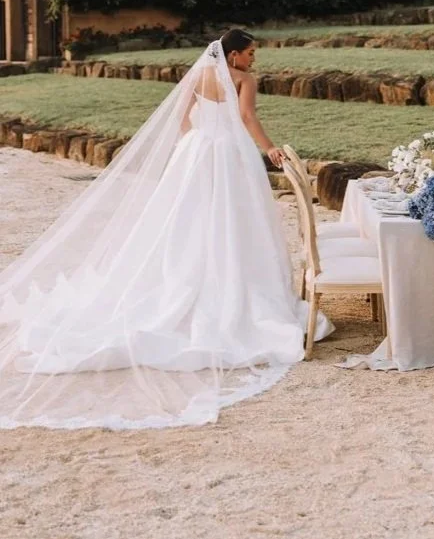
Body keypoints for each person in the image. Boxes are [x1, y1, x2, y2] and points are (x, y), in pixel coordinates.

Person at [0, 30, 331, 430]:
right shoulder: (243, 81)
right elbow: (246, 118)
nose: (253, 60)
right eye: (249, 54)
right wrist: (269, 148)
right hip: (228, 155)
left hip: (194, 153)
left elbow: (181, 118)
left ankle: (186, 274)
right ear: (233, 56)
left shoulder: (198, 75)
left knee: (185, 220)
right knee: (234, 221)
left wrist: (188, 148)